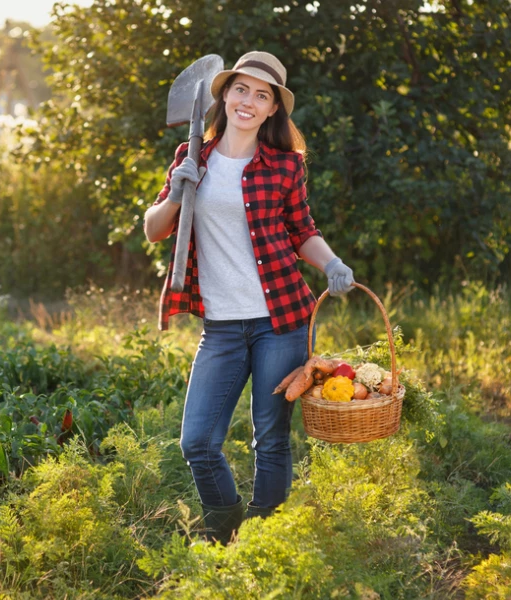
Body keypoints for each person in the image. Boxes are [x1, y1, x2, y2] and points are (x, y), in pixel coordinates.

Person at [143, 51, 355, 544]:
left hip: (281, 319)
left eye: (263, 96)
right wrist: (176, 192)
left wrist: (333, 264)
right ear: (224, 93)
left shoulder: (284, 166)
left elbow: (302, 231)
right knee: (197, 441)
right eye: (242, 89)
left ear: (272, 110)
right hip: (220, 327)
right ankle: (225, 532)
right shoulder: (191, 154)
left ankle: (263, 544)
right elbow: (155, 231)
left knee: (271, 439)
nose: (249, 101)